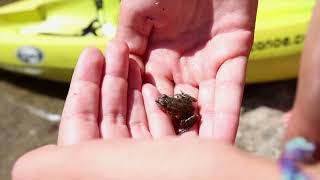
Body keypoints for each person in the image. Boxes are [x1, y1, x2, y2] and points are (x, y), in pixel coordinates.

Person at [11, 0, 320, 179]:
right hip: (184, 103)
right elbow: (177, 102)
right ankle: (302, 142)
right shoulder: (168, 101)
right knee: (305, 132)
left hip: (187, 110)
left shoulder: (174, 107)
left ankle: (301, 149)